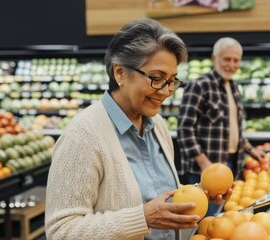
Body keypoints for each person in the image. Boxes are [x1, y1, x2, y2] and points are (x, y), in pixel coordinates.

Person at [45, 18, 230, 240]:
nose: (165, 91)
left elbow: (157, 196)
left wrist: (197, 195)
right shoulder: (83, 136)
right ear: (120, 73)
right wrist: (141, 218)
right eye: (156, 78)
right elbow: (61, 231)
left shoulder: (158, 125)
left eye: (172, 80)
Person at [177, 37, 266, 215]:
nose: (231, 65)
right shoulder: (199, 86)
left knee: (222, 218)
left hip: (231, 165)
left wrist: (250, 149)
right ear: (214, 58)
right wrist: (205, 163)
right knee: (205, 220)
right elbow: (184, 129)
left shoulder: (233, 87)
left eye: (236, 60)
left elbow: (233, 129)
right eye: (227, 59)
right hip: (204, 170)